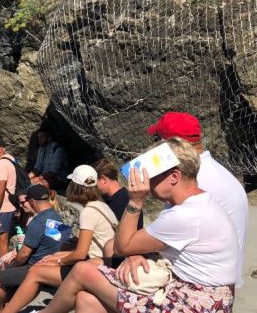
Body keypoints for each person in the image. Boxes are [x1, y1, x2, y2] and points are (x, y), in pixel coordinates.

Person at [36, 138, 238, 313]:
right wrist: (136, 253)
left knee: (83, 271)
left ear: (174, 177)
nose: (147, 182)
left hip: (191, 303)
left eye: (152, 176)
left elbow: (121, 247)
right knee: (86, 300)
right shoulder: (200, 203)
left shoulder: (186, 215)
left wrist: (136, 201)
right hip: (203, 297)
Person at [146, 111, 248, 288]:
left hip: (203, 281)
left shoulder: (191, 179)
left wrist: (135, 199)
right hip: (222, 271)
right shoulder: (214, 171)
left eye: (157, 139)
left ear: (170, 144)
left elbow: (132, 244)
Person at [0, 165, 117, 313]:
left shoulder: (87, 212)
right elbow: (68, 243)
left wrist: (59, 260)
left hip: (95, 268)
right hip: (103, 263)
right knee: (39, 268)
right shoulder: (100, 206)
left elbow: (80, 253)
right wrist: (56, 256)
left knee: (28, 273)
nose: (23, 205)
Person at [0, 184, 68, 313]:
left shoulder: (38, 222)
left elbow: (24, 255)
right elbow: (55, 243)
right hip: (51, 264)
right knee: (7, 272)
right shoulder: (55, 216)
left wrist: (13, 265)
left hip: (34, 267)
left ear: (32, 201)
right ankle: (9, 302)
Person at [93, 158, 143, 228]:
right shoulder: (125, 197)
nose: (92, 187)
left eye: (94, 182)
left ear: (104, 179)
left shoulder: (123, 202)